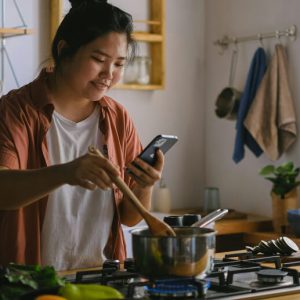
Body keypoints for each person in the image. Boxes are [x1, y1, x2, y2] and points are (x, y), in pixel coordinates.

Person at [0, 0, 164, 271]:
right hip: (31, 283)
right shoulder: (15, 111)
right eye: (98, 60)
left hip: (101, 278)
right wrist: (67, 173)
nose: (108, 75)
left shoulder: (117, 118)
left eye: (119, 64)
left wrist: (145, 185)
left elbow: (130, 218)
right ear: (65, 50)